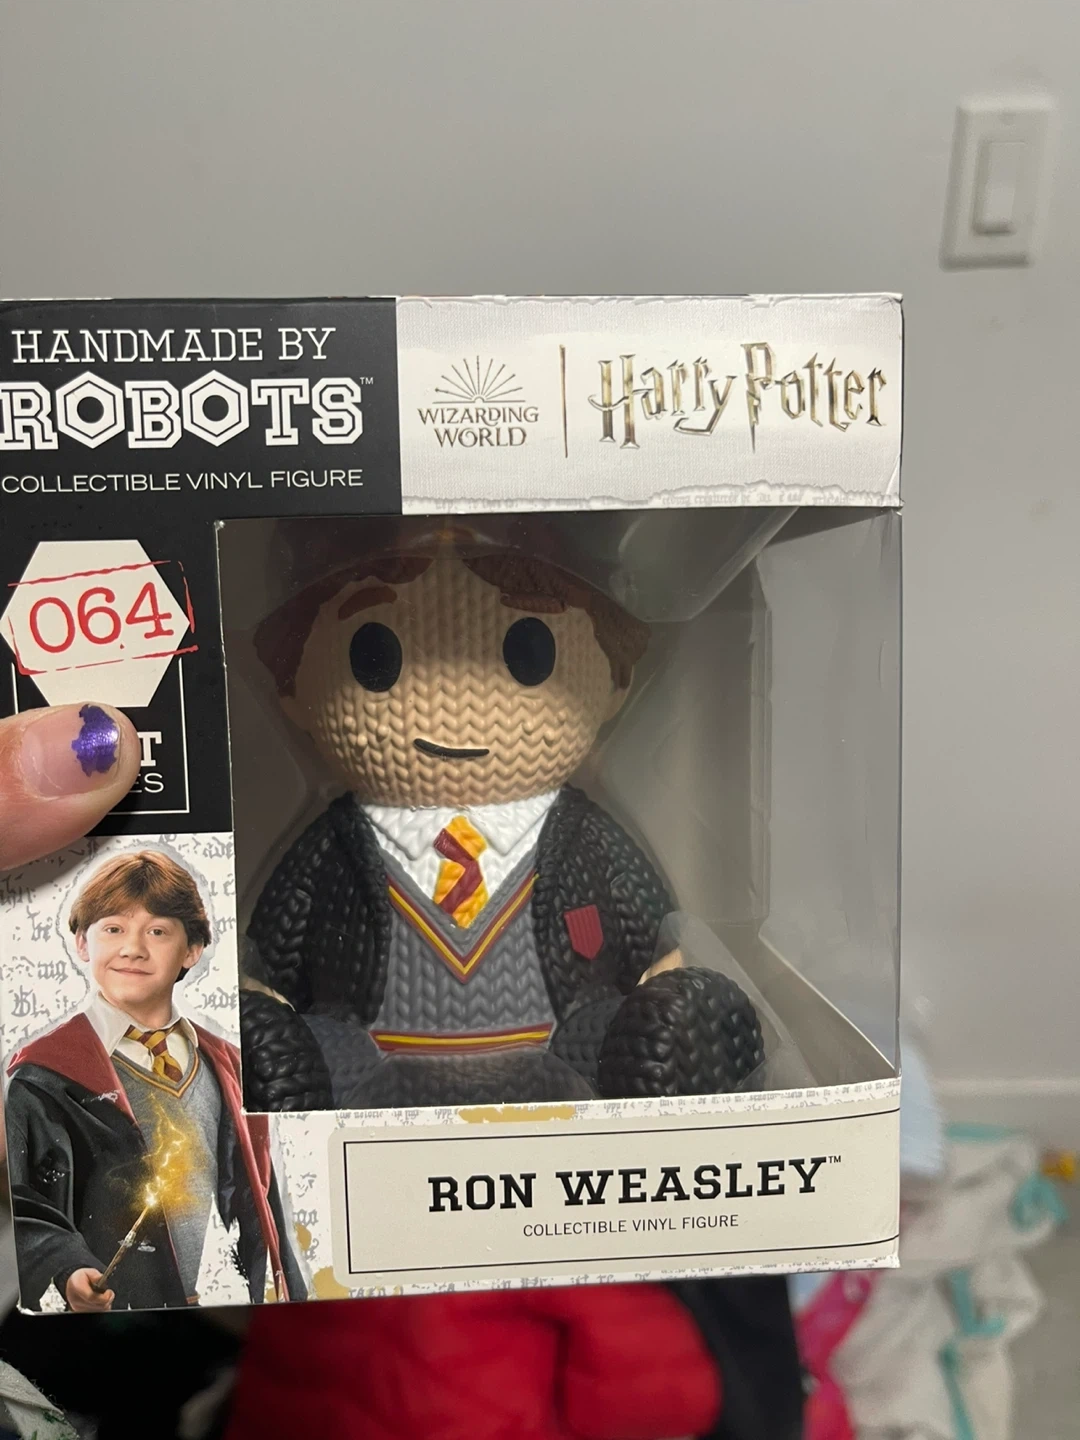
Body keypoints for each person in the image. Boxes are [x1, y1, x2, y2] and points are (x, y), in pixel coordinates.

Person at [2, 711, 302, 1312]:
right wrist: (69, 1269)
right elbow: (28, 1200)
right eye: (112, 928)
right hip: (115, 1318)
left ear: (192, 950)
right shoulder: (46, 1078)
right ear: (81, 943)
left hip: (217, 1313)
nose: (133, 948)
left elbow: (257, 1192)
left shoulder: (226, 1065)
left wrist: (286, 1290)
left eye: (158, 931)